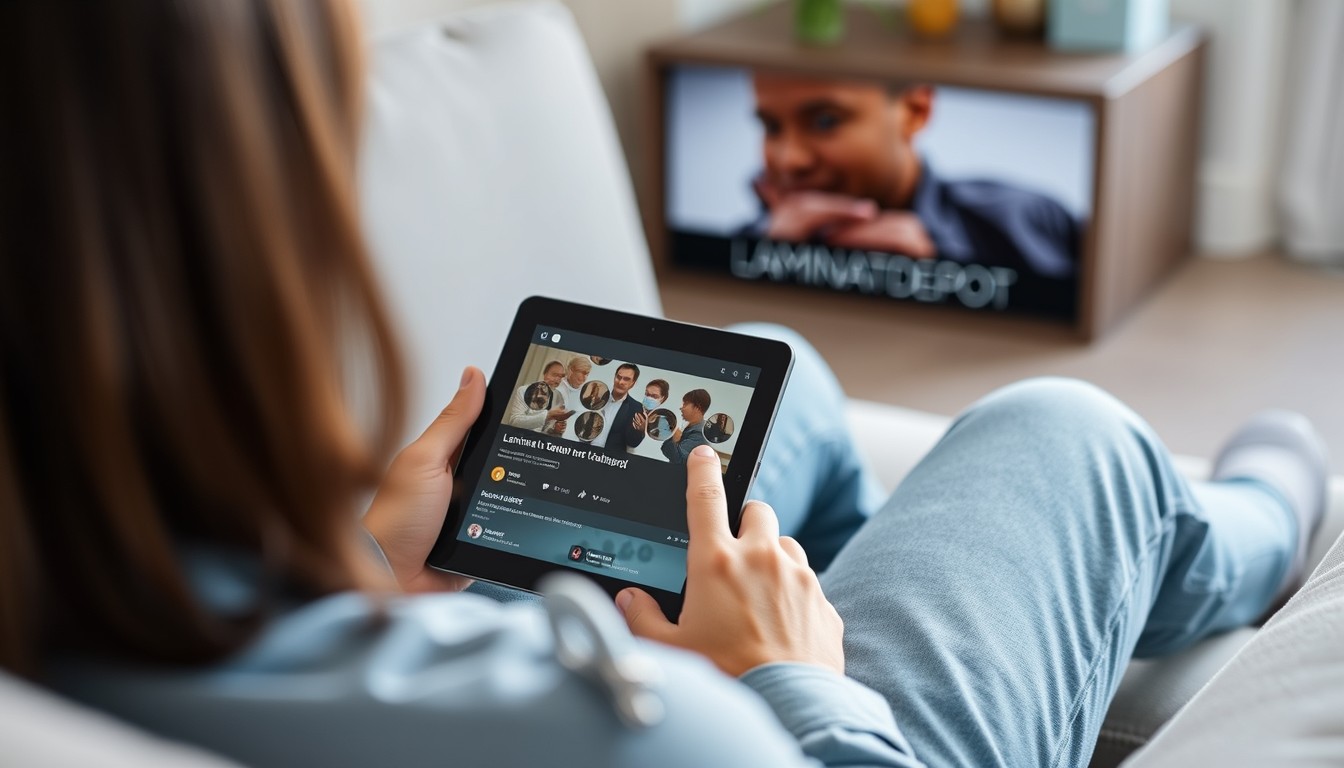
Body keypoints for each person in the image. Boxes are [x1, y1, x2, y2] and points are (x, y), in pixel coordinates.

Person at [4, 3, 1332, 768]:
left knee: (772, 374)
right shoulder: (634, 733)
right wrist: (789, 682)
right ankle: (1257, 531)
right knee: (1064, 431)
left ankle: (855, 564)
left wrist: (353, 575)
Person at [747, 73, 1080, 311]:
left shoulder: (1022, 222)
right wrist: (768, 265)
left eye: (825, 122)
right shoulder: (752, 239)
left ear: (915, 110)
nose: (789, 160)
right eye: (771, 127)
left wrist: (945, 281)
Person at [590, 363, 647, 451]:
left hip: (610, 460)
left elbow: (632, 443)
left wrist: (641, 431)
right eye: (618, 377)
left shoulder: (636, 407)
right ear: (614, 377)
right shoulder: (597, 397)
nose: (621, 382)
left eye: (627, 379)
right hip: (584, 452)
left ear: (633, 383)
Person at [504, 361, 569, 434]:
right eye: (554, 375)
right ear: (545, 374)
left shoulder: (559, 397)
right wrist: (547, 416)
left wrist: (555, 430)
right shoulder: (524, 390)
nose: (558, 379)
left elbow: (547, 430)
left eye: (561, 376)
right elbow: (514, 422)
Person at [662, 389, 712, 465]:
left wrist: (674, 440)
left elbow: (678, 459)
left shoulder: (700, 433)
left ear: (697, 408)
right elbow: (665, 449)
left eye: (685, 404)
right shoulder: (691, 427)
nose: (681, 408)